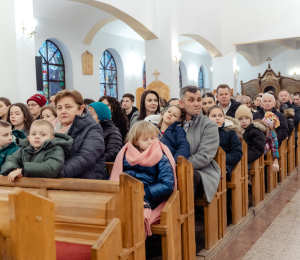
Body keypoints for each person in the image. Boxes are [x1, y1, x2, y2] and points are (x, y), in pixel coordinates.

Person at [110, 121, 175, 238]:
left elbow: (167, 184)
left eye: (153, 138)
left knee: (133, 212)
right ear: (136, 141)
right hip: (127, 193)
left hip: (150, 197)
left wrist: (145, 192)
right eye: (145, 139)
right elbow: (117, 175)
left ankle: (135, 244)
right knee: (111, 210)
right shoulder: (125, 155)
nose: (150, 142)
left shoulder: (161, 157)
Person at [179, 85, 221, 202]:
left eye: (198, 100)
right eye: (191, 100)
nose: (197, 104)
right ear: (181, 103)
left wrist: (179, 166)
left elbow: (204, 157)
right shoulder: (175, 123)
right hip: (176, 167)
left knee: (184, 177)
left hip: (202, 172)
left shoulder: (209, 125)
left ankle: (183, 216)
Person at [55, 90, 107, 180]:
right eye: (59, 108)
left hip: (87, 183)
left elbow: (85, 159)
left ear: (81, 109)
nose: (63, 111)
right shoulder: (53, 130)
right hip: (62, 181)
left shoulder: (93, 128)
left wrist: (52, 172)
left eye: (68, 107)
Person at [1, 120, 73, 181]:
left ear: (52, 138)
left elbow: (52, 168)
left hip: (47, 187)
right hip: (28, 186)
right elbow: (11, 160)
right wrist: (13, 169)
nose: (37, 137)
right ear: (29, 137)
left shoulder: (55, 149)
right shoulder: (25, 149)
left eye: (43, 134)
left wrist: (23, 171)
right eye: (34, 134)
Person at [207, 105, 243, 179]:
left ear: (224, 117)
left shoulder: (230, 132)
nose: (217, 118)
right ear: (207, 118)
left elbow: (237, 154)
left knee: (216, 174)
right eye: (213, 116)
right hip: (207, 164)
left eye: (220, 115)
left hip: (225, 164)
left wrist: (220, 158)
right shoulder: (204, 132)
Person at [235, 105, 267, 170]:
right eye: (240, 119)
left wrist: (243, 158)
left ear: (250, 119)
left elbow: (258, 148)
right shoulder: (235, 131)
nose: (244, 121)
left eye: (247, 118)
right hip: (236, 158)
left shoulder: (256, 131)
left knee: (240, 169)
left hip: (249, 159)